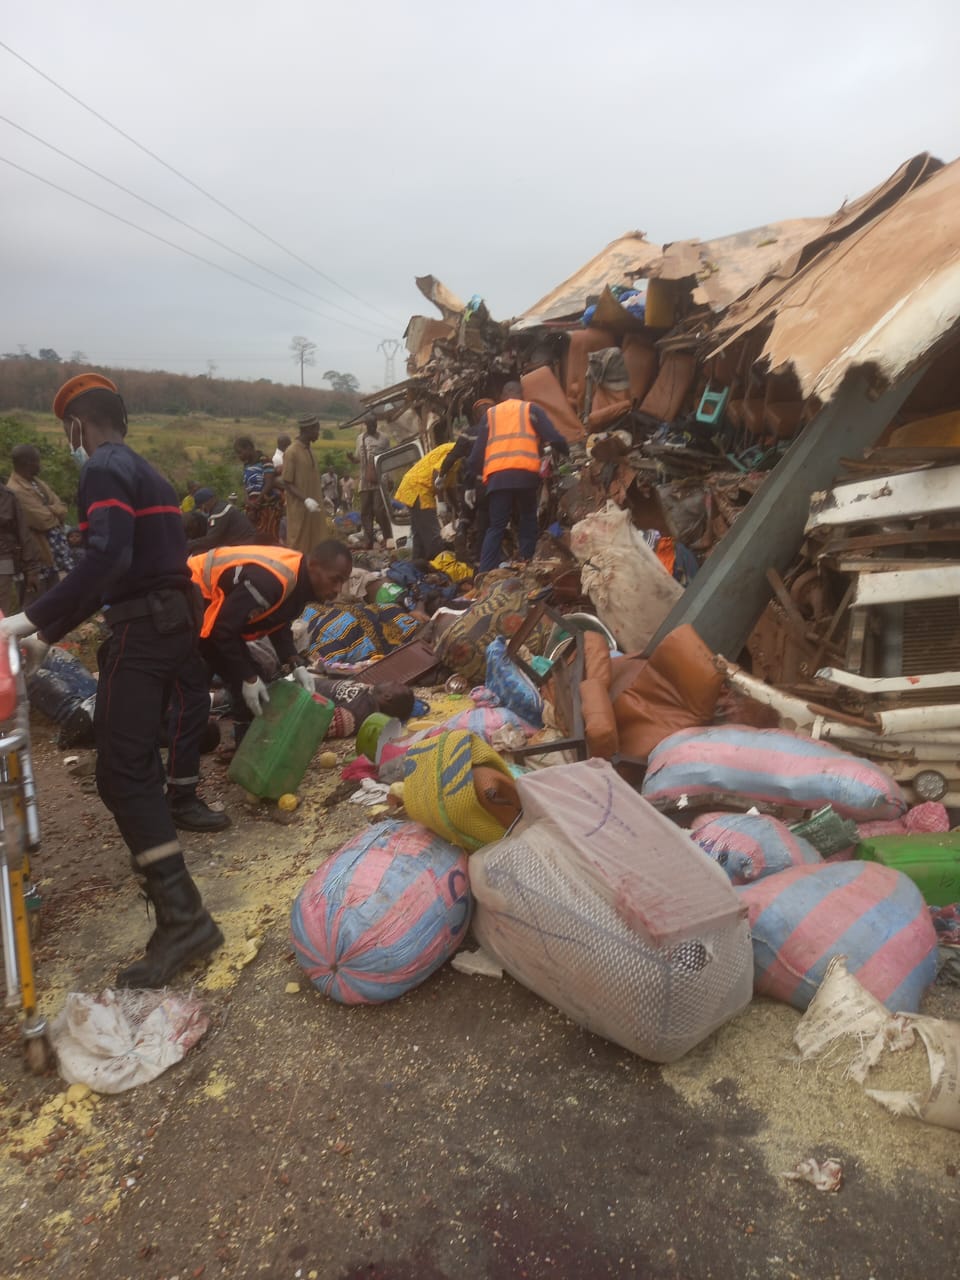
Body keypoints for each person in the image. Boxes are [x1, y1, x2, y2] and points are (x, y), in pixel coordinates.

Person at [0, 372, 225, 989]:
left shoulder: (102, 468)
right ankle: (181, 910)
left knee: (121, 770)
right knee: (134, 762)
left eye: (67, 431)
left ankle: (185, 919)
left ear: (77, 425)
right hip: (173, 623)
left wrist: (25, 620)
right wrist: (48, 634)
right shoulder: (149, 471)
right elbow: (124, 566)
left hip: (143, 631)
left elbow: (107, 558)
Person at [177, 540, 352, 750]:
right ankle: (177, 764)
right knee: (194, 699)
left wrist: (295, 663)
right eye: (335, 580)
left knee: (251, 681)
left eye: (343, 582)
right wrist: (248, 678)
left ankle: (245, 752)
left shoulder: (299, 583)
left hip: (213, 618)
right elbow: (222, 630)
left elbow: (278, 623)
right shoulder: (273, 581)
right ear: (314, 565)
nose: (338, 589)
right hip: (187, 600)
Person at [468, 381, 570, 572]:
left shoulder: (490, 415)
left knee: (496, 526)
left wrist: (477, 477)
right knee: (528, 517)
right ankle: (526, 561)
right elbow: (555, 438)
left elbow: (475, 456)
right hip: (525, 476)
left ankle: (485, 571)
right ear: (521, 395)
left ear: (502, 397)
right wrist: (567, 452)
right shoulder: (531, 409)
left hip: (498, 478)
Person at [6, 444, 73, 595]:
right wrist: (55, 511)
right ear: (27, 463)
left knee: (54, 599)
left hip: (51, 557)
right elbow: (43, 521)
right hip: (35, 559)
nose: (40, 464)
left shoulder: (37, 483)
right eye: (37, 461)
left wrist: (51, 510)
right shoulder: (16, 490)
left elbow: (62, 508)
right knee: (34, 602)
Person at [394, 442, 454, 562]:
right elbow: (437, 474)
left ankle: (417, 565)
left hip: (413, 486)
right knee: (433, 535)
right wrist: (441, 502)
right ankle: (441, 564)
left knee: (419, 536)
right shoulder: (453, 452)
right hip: (419, 489)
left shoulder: (458, 455)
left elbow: (450, 488)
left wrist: (455, 508)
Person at [281, 416, 330, 552]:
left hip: (315, 510)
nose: (318, 434)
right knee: (299, 547)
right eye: (316, 430)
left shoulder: (311, 451)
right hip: (300, 511)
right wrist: (306, 500)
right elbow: (287, 482)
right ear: (308, 430)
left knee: (317, 545)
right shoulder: (292, 452)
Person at [311, 677, 413, 739]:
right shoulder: (371, 695)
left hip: (304, 693)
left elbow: (315, 723)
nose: (393, 680)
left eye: (397, 684)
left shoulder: (355, 714)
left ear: (387, 696)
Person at [0, 483, 43, 615]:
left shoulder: (7, 496)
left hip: (3, 559)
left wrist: (31, 569)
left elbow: (23, 533)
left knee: (3, 613)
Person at [234, 437, 283, 541]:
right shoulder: (246, 465)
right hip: (252, 508)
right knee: (252, 538)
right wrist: (247, 501)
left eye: (240, 452)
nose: (239, 456)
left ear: (249, 448)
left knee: (268, 538)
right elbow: (246, 485)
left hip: (267, 507)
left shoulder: (265, 460)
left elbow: (269, 483)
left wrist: (258, 500)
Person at [355, 413, 391, 547]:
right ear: (366, 425)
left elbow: (388, 458)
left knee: (379, 510)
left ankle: (388, 537)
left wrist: (389, 478)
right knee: (366, 512)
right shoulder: (360, 438)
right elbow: (358, 457)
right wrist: (352, 459)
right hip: (364, 481)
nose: (372, 427)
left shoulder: (384, 438)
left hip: (379, 480)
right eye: (370, 425)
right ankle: (368, 540)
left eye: (374, 425)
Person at [186, 487, 261, 552]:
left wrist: (188, 544)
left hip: (244, 546)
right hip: (246, 543)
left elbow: (211, 541)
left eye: (201, 506)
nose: (202, 509)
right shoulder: (223, 506)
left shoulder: (219, 512)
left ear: (208, 502)